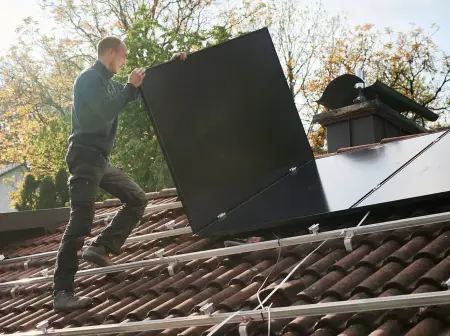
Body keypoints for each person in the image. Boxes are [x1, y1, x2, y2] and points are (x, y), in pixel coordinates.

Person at [53, 36, 187, 312]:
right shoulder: (88, 79)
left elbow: (136, 85)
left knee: (137, 198)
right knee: (80, 224)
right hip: (84, 157)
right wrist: (128, 87)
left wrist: (169, 67)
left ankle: (101, 248)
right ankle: (62, 293)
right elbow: (103, 111)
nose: (125, 62)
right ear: (111, 53)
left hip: (99, 161)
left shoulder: (110, 85)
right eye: (123, 56)